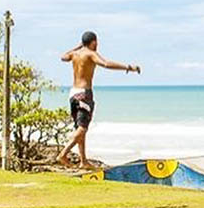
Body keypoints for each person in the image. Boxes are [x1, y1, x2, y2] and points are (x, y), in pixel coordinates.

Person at [55, 31, 141, 169]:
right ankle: (63, 154)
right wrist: (128, 67)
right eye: (97, 42)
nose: (98, 45)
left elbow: (63, 57)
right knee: (82, 128)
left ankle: (83, 161)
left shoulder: (74, 54)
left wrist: (78, 47)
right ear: (93, 42)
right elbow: (106, 64)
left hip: (73, 93)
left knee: (80, 128)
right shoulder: (90, 53)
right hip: (84, 93)